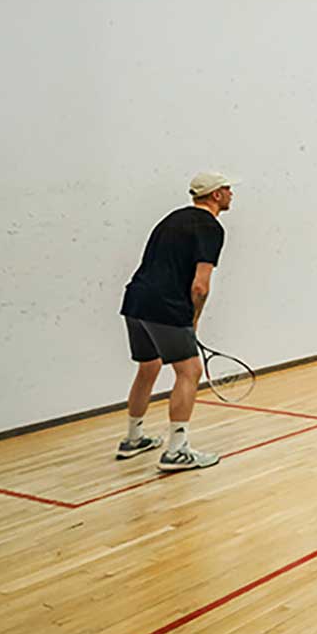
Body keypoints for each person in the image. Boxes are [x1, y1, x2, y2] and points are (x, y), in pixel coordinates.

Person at [114, 171, 233, 472]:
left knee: (149, 366)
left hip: (136, 300)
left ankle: (133, 438)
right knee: (190, 371)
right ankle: (177, 451)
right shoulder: (211, 227)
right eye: (228, 188)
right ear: (216, 194)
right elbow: (200, 286)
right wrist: (193, 319)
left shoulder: (172, 218)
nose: (232, 193)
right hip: (165, 306)